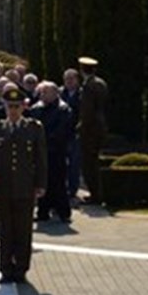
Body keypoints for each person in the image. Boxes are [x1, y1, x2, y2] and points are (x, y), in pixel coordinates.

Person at [0, 86, 47, 284]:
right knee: (5, 230)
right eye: (9, 106)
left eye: (16, 106)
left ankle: (21, 269)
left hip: (25, 187)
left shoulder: (33, 128)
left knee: (23, 230)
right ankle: (5, 269)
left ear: (23, 107)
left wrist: (40, 184)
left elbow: (40, 159)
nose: (13, 110)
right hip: (3, 187)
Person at [31, 81, 75, 223]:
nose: (42, 95)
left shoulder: (63, 109)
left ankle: (63, 212)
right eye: (41, 92)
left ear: (55, 93)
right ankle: (43, 211)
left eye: (46, 92)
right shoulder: (36, 109)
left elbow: (63, 130)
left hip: (56, 151)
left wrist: (45, 139)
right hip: (40, 152)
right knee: (42, 182)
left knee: (58, 182)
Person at [76, 57, 108, 203]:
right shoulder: (101, 83)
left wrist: (81, 126)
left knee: (89, 163)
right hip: (100, 126)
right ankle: (98, 193)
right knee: (94, 161)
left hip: (90, 129)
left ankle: (95, 194)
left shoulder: (88, 86)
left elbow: (87, 110)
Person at [60, 68, 82, 204]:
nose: (68, 82)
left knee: (74, 162)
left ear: (77, 80)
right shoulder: (60, 93)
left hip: (75, 132)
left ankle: (73, 189)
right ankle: (63, 187)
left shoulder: (82, 94)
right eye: (66, 79)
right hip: (62, 133)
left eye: (71, 79)